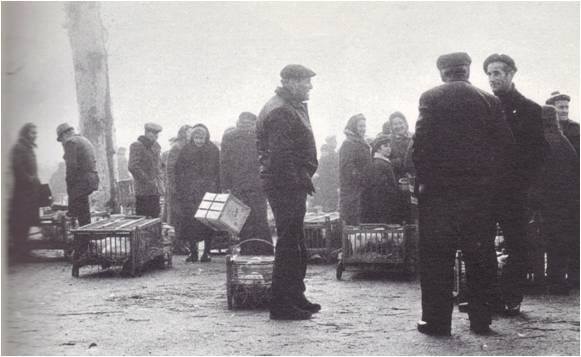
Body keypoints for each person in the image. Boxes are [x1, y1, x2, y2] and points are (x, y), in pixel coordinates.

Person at [413, 52, 514, 335]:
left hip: (439, 196)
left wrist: (423, 183)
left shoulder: (430, 98)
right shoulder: (490, 101)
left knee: (436, 258)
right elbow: (505, 145)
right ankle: (481, 320)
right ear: (467, 71)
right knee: (480, 257)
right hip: (479, 196)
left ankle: (436, 321)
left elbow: (420, 145)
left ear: (443, 72)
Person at [483, 53, 546, 315]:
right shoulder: (483, 107)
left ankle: (511, 298)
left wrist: (530, 192)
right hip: (486, 190)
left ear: (511, 75)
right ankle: (486, 298)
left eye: (497, 73)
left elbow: (538, 155)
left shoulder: (530, 110)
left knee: (517, 244)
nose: (492, 78)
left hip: (515, 191)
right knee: (482, 243)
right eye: (489, 73)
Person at [257, 64, 319, 320]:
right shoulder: (281, 110)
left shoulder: (290, 105)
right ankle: (282, 304)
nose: (310, 86)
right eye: (306, 81)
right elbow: (282, 158)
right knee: (288, 243)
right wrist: (300, 180)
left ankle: (295, 295)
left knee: (295, 242)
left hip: (290, 183)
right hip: (286, 185)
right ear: (291, 82)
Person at [529, 106, 578, 294]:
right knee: (558, 241)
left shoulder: (540, 141)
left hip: (543, 199)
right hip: (564, 200)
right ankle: (557, 280)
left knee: (538, 240)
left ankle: (539, 280)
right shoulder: (564, 142)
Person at [220, 112, 273, 255]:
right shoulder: (260, 135)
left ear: (239, 121)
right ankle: (265, 249)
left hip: (238, 184)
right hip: (258, 183)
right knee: (260, 217)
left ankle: (246, 249)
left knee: (242, 217)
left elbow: (224, 163)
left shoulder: (229, 137)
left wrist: (225, 185)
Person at [174, 124, 220, 263]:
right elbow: (178, 171)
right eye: (196, 137)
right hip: (190, 193)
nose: (199, 141)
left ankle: (207, 252)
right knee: (191, 222)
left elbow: (218, 170)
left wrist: (217, 187)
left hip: (208, 191)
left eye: (202, 138)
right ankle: (193, 252)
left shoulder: (213, 149)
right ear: (192, 137)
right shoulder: (186, 150)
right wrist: (181, 188)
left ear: (206, 137)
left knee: (208, 222)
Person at [57, 123, 100, 227]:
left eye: (61, 139)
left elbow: (71, 167)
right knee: (84, 212)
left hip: (82, 181)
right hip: (91, 179)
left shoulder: (70, 142)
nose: (62, 143)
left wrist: (70, 188)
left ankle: (82, 241)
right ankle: (86, 238)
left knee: (79, 213)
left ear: (64, 135)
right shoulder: (83, 140)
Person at [9, 123, 41, 259]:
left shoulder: (28, 148)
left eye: (35, 133)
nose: (35, 135)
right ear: (25, 133)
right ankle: (19, 252)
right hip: (22, 193)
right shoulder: (19, 148)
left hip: (29, 192)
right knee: (20, 222)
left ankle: (23, 251)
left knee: (27, 221)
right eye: (32, 133)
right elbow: (18, 168)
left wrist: (36, 181)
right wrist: (29, 179)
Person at [339, 113, 372, 226]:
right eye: (360, 126)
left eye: (364, 126)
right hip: (353, 192)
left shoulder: (361, 142)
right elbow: (347, 168)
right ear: (354, 127)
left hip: (362, 190)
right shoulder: (348, 144)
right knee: (354, 223)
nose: (363, 129)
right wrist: (362, 179)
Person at [128, 122, 164, 218]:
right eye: (153, 133)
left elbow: (159, 166)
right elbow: (133, 166)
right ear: (146, 133)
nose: (156, 136)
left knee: (155, 217)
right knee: (143, 219)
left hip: (155, 190)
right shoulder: (137, 145)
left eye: (157, 134)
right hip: (143, 191)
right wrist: (148, 180)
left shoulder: (155, 147)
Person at [361, 134, 398, 224]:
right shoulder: (380, 163)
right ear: (378, 149)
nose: (389, 149)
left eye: (389, 146)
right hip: (383, 202)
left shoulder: (381, 162)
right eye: (385, 146)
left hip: (382, 201)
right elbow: (380, 185)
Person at [166, 125, 192, 233]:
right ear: (183, 133)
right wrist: (173, 187)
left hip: (187, 188)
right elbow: (170, 169)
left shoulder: (189, 146)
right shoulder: (177, 147)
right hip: (177, 187)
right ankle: (178, 244)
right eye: (189, 132)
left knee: (186, 217)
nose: (191, 134)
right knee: (178, 217)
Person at [546, 91, 579, 156]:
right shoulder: (545, 127)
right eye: (561, 107)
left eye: (567, 107)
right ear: (552, 109)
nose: (565, 111)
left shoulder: (575, 127)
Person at [312, 136, 339, 212]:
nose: (335, 143)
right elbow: (322, 164)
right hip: (327, 180)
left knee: (331, 199)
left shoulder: (334, 153)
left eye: (335, 141)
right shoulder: (327, 150)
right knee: (328, 199)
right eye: (334, 141)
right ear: (329, 142)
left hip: (331, 180)